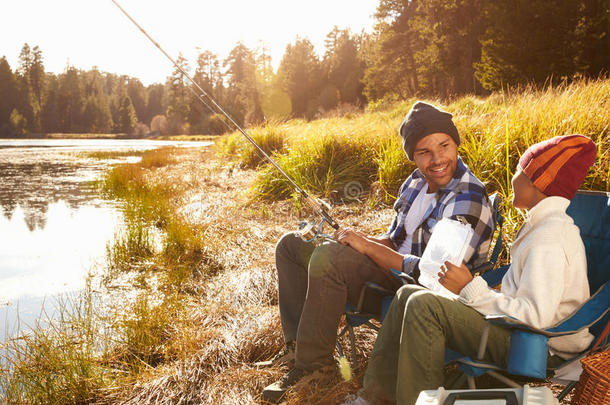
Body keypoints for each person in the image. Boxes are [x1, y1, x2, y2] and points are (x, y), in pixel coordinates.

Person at [260, 101, 496, 403]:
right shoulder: (415, 183)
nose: (437, 159)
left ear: (456, 144)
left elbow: (432, 276)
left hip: (420, 293)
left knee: (328, 258)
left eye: (444, 146)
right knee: (292, 245)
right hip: (389, 273)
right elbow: (396, 239)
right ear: (413, 156)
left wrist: (366, 248)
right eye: (424, 152)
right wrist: (358, 239)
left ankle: (314, 368)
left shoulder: (468, 196)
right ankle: (297, 348)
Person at [346, 134, 597, 405]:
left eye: (519, 171)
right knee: (408, 293)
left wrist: (470, 288)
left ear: (539, 183)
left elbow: (535, 317)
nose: (513, 177)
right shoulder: (541, 226)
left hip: (539, 344)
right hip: (515, 328)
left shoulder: (550, 238)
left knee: (424, 305)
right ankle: (374, 398)